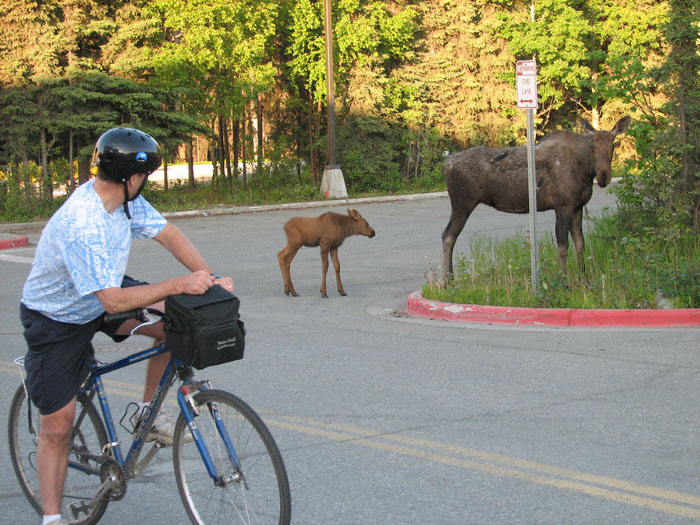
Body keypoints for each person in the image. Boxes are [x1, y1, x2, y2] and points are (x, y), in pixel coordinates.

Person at [20, 127, 234, 525]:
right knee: (57, 426)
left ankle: (144, 413)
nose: (145, 183)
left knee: (178, 324)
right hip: (58, 318)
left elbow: (168, 234)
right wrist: (177, 284)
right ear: (132, 178)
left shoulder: (125, 201)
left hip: (104, 290)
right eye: (146, 176)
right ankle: (51, 518)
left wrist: (208, 275)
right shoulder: (83, 222)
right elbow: (113, 302)